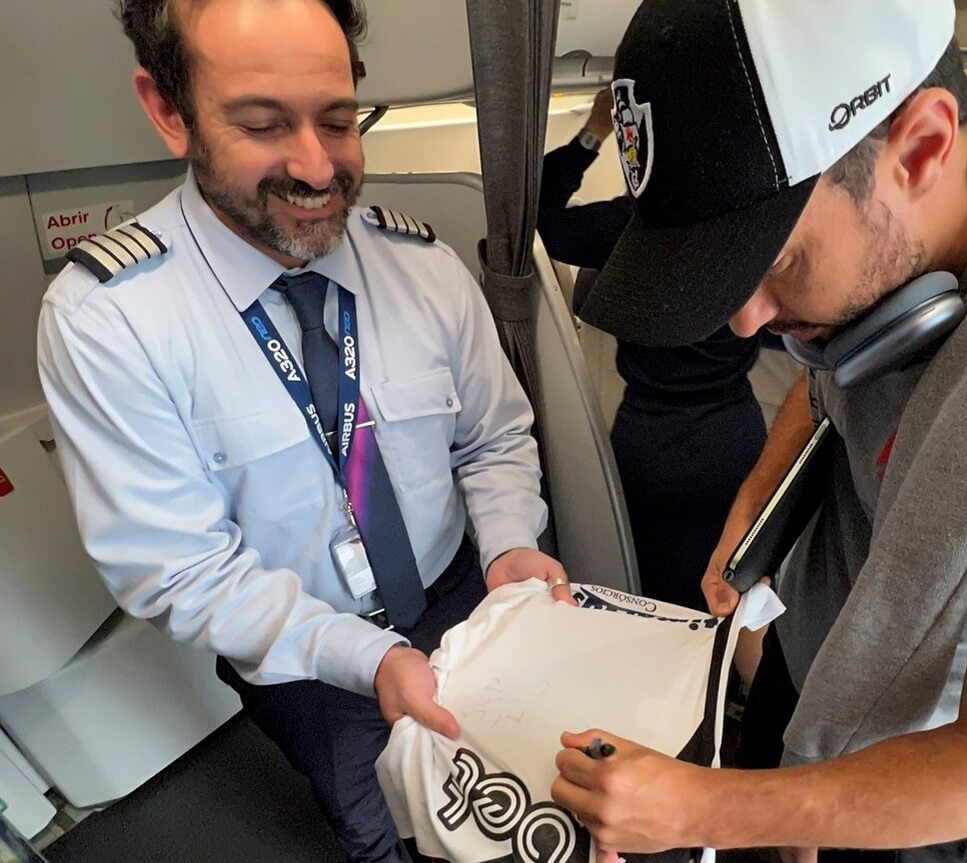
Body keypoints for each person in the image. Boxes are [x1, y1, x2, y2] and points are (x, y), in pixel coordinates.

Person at [553, 1, 967, 861]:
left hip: (921, 771)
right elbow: (829, 388)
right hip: (811, 658)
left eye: (775, 260)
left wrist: (715, 810)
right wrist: (758, 499)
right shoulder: (902, 263)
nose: (744, 322)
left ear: (923, 150)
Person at [38, 1, 570, 861]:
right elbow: (183, 567)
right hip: (311, 669)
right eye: (262, 124)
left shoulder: (424, 266)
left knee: (522, 798)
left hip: (470, 600)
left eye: (338, 119)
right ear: (167, 110)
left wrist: (509, 541)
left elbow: (494, 437)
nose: (318, 167)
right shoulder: (110, 321)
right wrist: (368, 657)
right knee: (385, 832)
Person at [538, 88, 766, 611]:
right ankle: (727, 681)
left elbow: (534, 219)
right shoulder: (749, 218)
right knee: (733, 581)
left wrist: (593, 132)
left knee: (652, 590)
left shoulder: (624, 228)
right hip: (732, 433)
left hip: (650, 440)